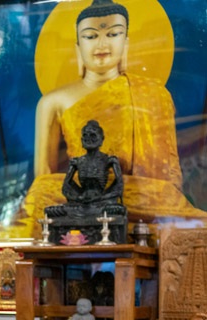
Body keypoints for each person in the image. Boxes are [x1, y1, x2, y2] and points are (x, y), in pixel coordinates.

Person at [11, 0, 207, 238]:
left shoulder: (152, 95)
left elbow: (165, 181)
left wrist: (116, 190)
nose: (102, 44)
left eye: (113, 34)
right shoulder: (53, 102)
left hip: (140, 195)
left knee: (160, 197)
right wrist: (81, 194)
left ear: (125, 44)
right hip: (80, 199)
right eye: (91, 36)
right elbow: (44, 178)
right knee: (42, 190)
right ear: (78, 46)